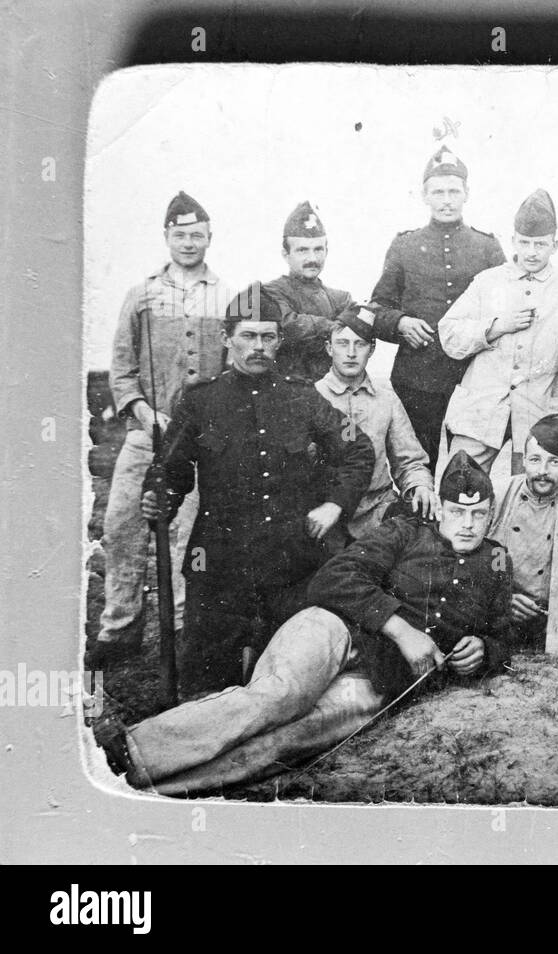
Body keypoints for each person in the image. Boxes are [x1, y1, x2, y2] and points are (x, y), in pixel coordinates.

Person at [94, 452, 514, 795]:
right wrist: (401, 630)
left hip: (384, 675)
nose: (467, 524)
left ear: (491, 513)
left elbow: (502, 633)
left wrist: (483, 650)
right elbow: (335, 578)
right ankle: (132, 751)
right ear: (440, 507)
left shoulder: (496, 561)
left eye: (478, 514)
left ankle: (147, 788)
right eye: (457, 511)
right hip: (334, 628)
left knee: (294, 738)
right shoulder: (405, 532)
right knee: (282, 696)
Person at [140, 283, 375, 696]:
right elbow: (170, 470)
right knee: (205, 685)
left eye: (268, 337)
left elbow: (357, 449)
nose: (258, 347)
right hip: (219, 563)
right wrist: (160, 498)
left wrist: (334, 505)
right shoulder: (199, 402)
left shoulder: (303, 398)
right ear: (226, 338)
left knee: (291, 681)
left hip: (291, 563)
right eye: (248, 336)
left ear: (280, 341)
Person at [88, 191, 232, 669]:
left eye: (197, 235)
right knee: (121, 527)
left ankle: (183, 629)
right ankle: (119, 628)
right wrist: (147, 414)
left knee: (187, 535)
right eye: (180, 234)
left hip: (198, 442)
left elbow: (231, 370)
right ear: (167, 236)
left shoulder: (227, 295)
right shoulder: (141, 294)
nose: (189, 243)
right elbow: (122, 369)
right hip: (144, 435)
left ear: (210, 238)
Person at [439, 188, 558, 474]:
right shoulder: (487, 281)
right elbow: (449, 334)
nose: (531, 252)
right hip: (482, 406)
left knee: (533, 487)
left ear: (555, 245)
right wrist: (496, 327)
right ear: (513, 240)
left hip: (539, 407)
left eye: (540, 244)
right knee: (459, 482)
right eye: (524, 242)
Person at [368, 146, 506, 469]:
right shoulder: (404, 246)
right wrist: (400, 322)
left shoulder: (487, 247)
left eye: (453, 192)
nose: (446, 200)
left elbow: (504, 308)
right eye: (438, 192)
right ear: (424, 195)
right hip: (418, 380)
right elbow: (377, 306)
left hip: (473, 379)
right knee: (418, 466)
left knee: (469, 470)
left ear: (466, 193)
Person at [314, 308, 436, 542]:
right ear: (329, 348)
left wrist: (420, 486)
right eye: (342, 344)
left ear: (372, 349)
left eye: (360, 344)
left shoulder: (386, 399)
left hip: (377, 511)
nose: (351, 353)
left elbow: (409, 461)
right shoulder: (313, 397)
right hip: (327, 514)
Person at [487, 412, 558, 652]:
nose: (543, 471)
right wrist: (501, 598)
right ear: (524, 460)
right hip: (499, 609)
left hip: (549, 620)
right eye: (536, 459)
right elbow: (482, 554)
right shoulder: (499, 494)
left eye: (555, 462)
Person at [262, 201, 357, 382]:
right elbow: (289, 325)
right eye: (302, 250)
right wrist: (335, 326)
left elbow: (356, 331)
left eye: (318, 249)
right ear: (285, 254)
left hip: (333, 388)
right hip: (288, 387)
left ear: (326, 251)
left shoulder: (341, 298)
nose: (312, 258)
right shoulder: (270, 292)